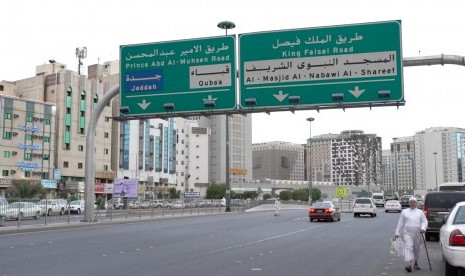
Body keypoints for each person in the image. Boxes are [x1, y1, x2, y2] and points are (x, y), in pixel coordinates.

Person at [395, 197, 427, 272]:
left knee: (416, 249)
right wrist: (397, 233)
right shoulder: (404, 212)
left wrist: (423, 228)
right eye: (411, 202)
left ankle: (415, 262)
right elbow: (400, 223)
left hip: (418, 233)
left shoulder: (420, 212)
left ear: (416, 203)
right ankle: (408, 264)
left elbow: (424, 222)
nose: (412, 203)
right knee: (408, 247)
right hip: (407, 233)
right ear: (409, 203)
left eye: (414, 202)